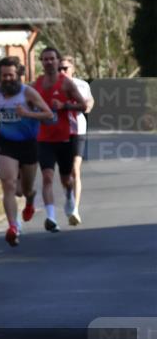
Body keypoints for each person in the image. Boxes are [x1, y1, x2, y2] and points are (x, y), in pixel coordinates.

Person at [0, 57, 54, 247]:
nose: (7, 79)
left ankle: (30, 199)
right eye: (4, 76)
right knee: (9, 185)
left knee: (24, 189)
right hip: (6, 143)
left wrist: (28, 114)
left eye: (11, 75)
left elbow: (49, 114)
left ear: (19, 75)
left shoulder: (28, 92)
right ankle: (13, 227)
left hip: (28, 144)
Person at [32, 46, 88, 232]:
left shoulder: (66, 83)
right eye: (45, 59)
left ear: (57, 61)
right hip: (44, 138)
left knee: (66, 178)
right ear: (42, 62)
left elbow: (83, 105)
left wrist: (64, 105)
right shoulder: (37, 84)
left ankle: (69, 196)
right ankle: (51, 218)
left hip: (65, 138)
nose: (49, 62)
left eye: (52, 59)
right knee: (47, 177)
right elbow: (28, 104)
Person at [59, 56, 94, 225]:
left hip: (78, 130)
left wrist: (67, 106)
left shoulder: (82, 85)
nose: (62, 72)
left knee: (75, 170)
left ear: (73, 69)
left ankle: (75, 209)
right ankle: (68, 196)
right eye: (59, 69)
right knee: (65, 174)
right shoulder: (53, 85)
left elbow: (87, 106)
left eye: (65, 68)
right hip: (59, 131)